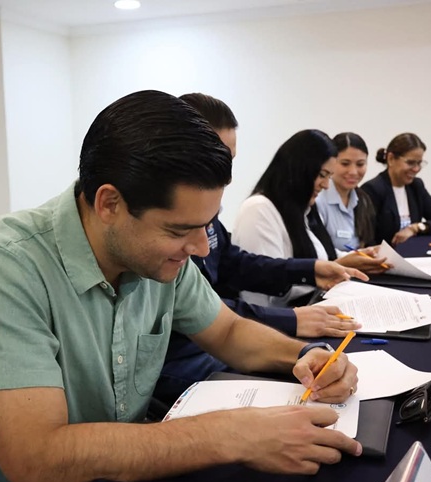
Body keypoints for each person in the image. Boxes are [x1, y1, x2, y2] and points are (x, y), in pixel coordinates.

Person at [0, 90, 362, 482]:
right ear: (109, 203)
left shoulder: (156, 259)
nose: (202, 247)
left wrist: (306, 356)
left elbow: (228, 333)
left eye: (206, 224)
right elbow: (40, 467)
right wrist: (229, 435)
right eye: (179, 230)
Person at [156, 94, 367, 405]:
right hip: (186, 357)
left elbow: (232, 272)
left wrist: (308, 272)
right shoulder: (253, 209)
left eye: (228, 160)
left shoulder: (209, 214)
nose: (227, 175)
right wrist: (292, 321)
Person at [231, 130, 380, 308]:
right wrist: (320, 273)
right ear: (300, 170)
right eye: (322, 175)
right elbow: (265, 288)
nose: (326, 185)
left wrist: (358, 256)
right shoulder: (259, 209)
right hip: (279, 317)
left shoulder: (300, 210)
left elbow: (321, 254)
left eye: (329, 176)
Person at [361, 133, 431, 245]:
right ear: (391, 159)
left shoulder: (416, 186)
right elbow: (367, 239)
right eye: (410, 163)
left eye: (419, 163)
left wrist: (416, 228)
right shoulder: (373, 189)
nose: (416, 169)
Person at [315, 132, 387, 269]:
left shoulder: (363, 199)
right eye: (345, 164)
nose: (353, 171)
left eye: (360, 164)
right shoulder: (317, 200)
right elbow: (318, 254)